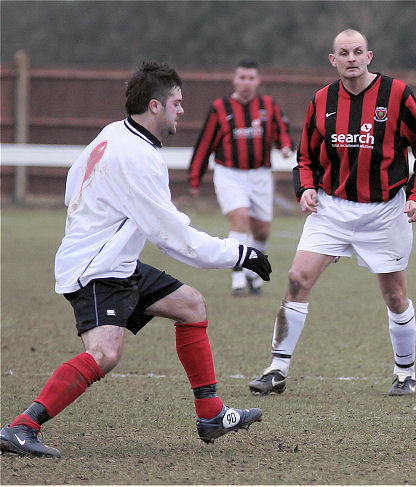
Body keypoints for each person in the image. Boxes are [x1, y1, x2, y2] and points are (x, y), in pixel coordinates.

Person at [0, 61, 272, 458]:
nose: (182, 110)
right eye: (177, 103)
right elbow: (175, 238)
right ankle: (21, 427)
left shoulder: (114, 133)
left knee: (192, 305)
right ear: (155, 106)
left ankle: (211, 414)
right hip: (95, 268)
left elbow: (72, 183)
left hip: (117, 260)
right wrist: (239, 253)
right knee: (105, 354)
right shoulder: (138, 157)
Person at [247, 29, 416, 397]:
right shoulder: (321, 100)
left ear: (369, 56)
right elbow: (305, 155)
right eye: (343, 53)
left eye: (358, 52)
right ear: (332, 60)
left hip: (384, 212)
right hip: (332, 208)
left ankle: (404, 372)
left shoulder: (396, 94)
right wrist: (304, 188)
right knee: (297, 277)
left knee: (395, 297)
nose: (351, 58)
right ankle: (277, 368)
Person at [189, 58, 292, 297]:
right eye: (242, 78)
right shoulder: (219, 108)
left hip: (260, 175)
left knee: (262, 231)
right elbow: (204, 144)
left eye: (251, 78)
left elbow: (283, 132)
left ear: (258, 81)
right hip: (229, 174)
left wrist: (286, 146)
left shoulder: (268, 106)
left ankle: (252, 272)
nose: (246, 83)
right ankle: (237, 274)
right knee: (239, 218)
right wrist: (196, 177)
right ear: (234, 79)